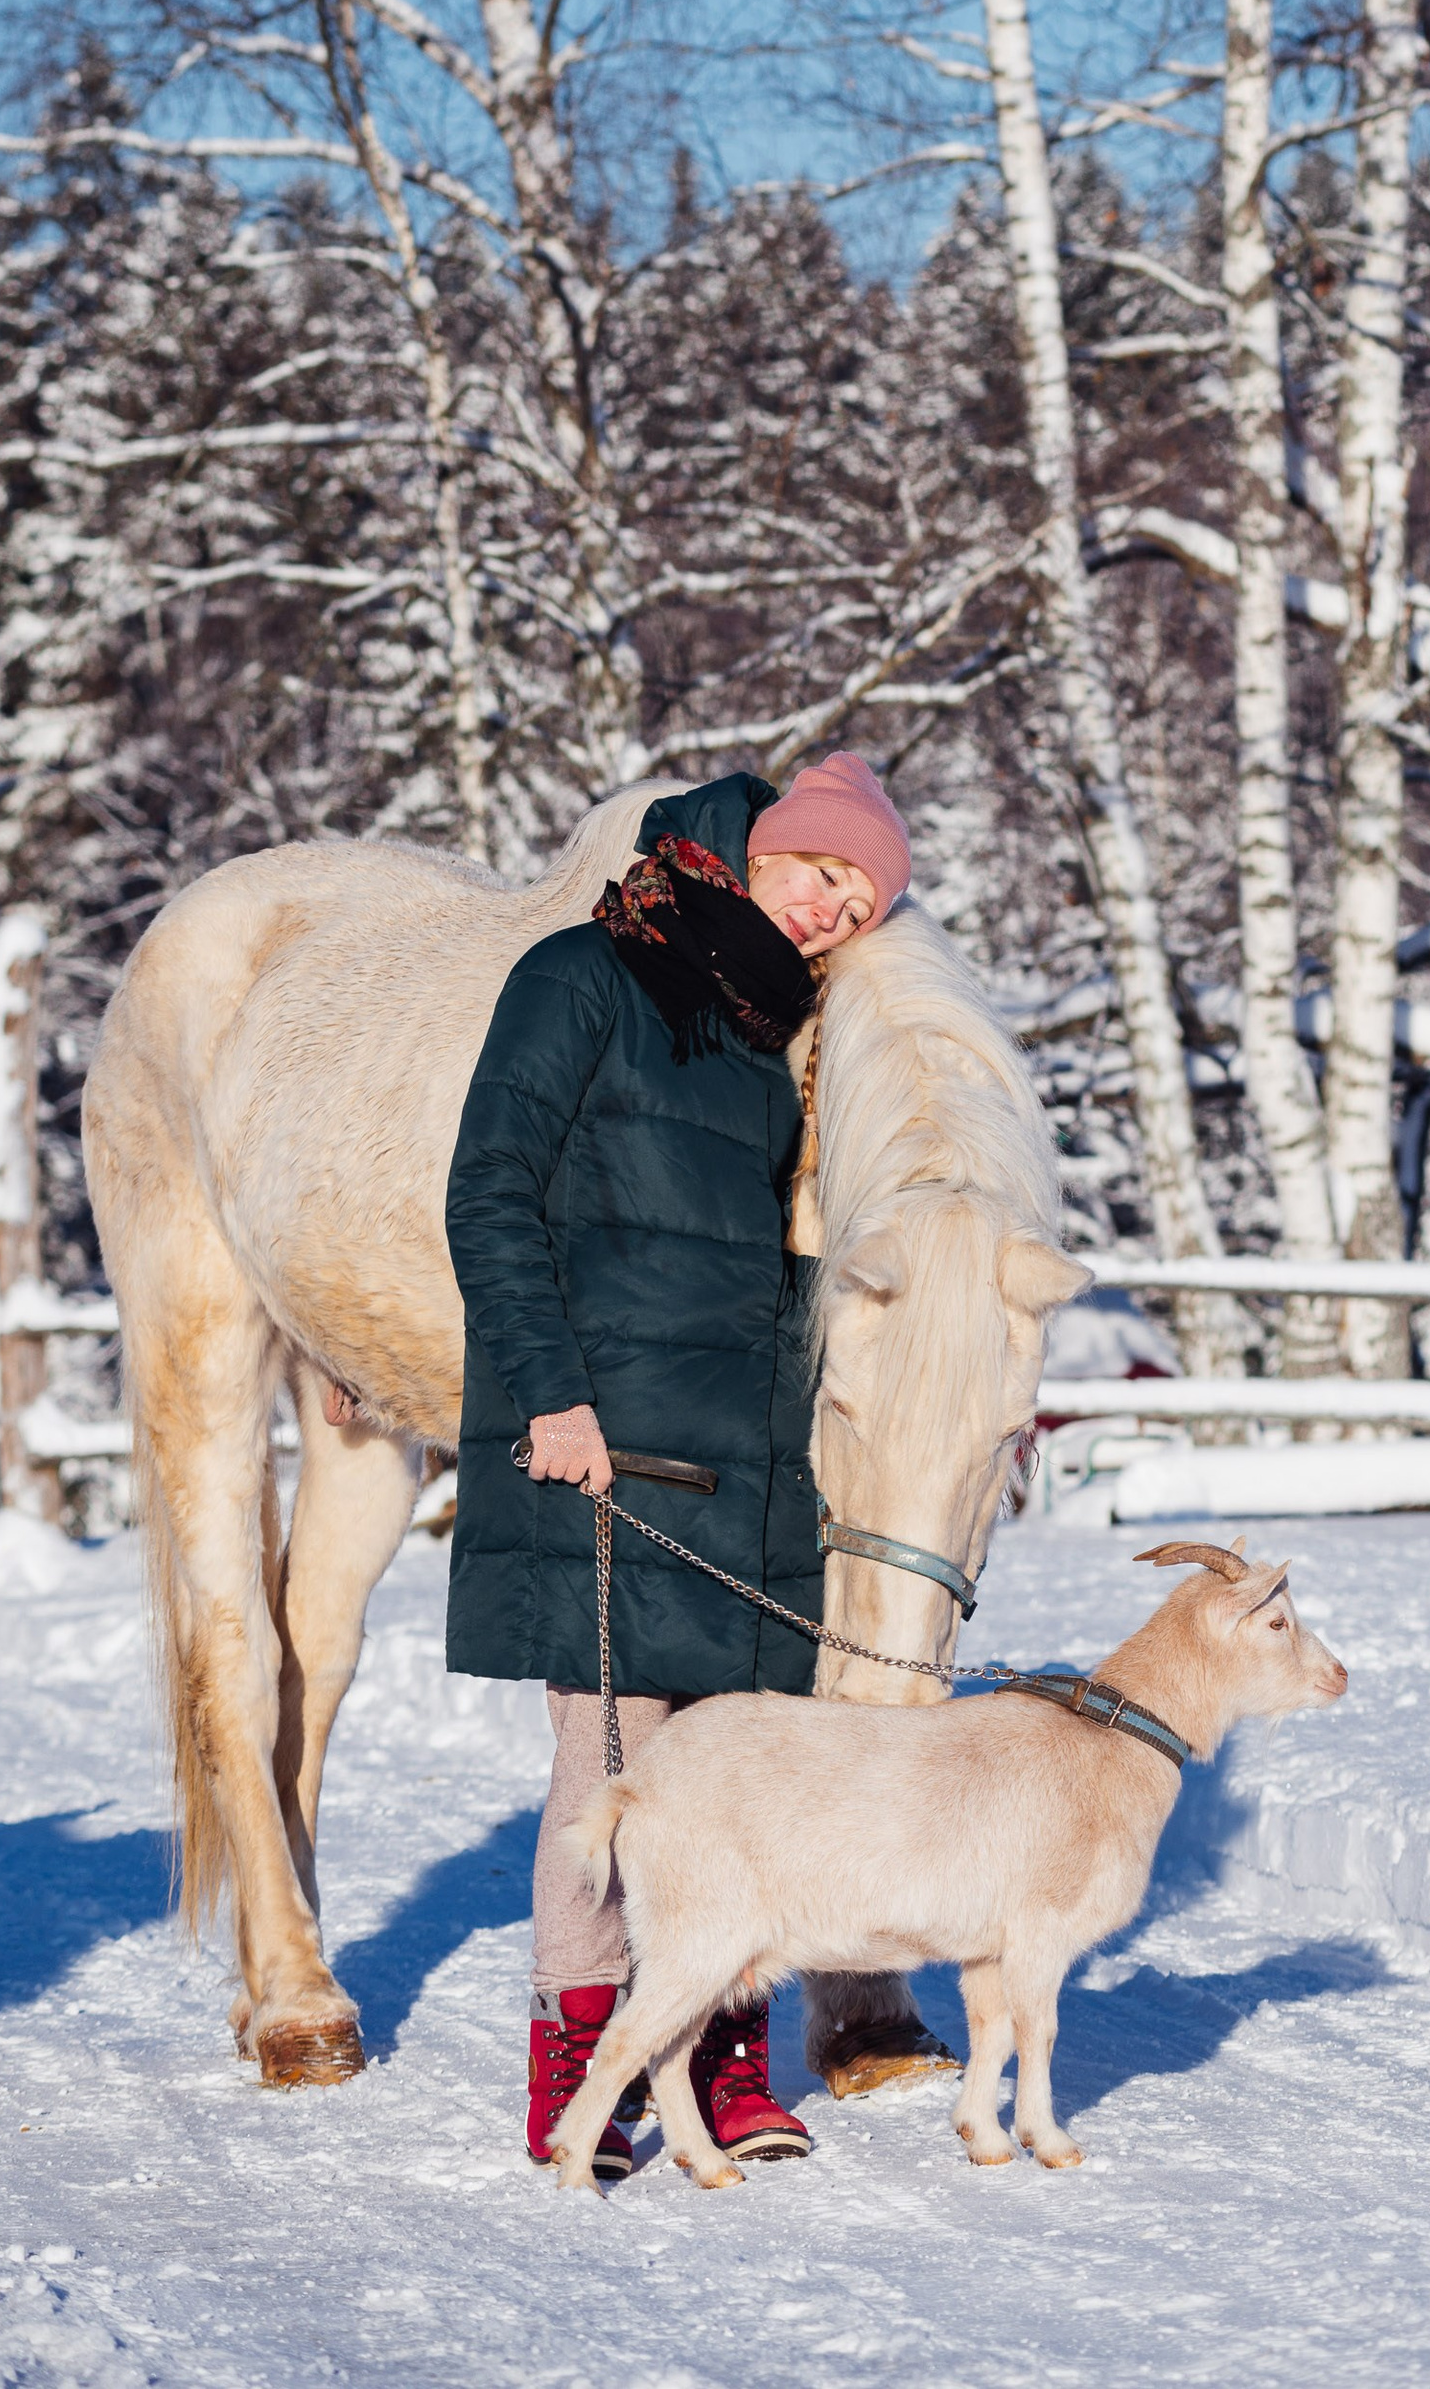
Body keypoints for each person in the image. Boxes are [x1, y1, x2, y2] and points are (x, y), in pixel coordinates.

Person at [442, 751, 913, 2178]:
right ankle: (580, 2057)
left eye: (860, 905)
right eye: (823, 873)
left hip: (751, 1465)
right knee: (615, 1772)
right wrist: (551, 1397)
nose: (832, 911)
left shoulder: (784, 1037)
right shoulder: (583, 974)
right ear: (763, 846)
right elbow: (489, 1192)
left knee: (748, 1780)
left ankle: (718, 2056)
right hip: (610, 1445)